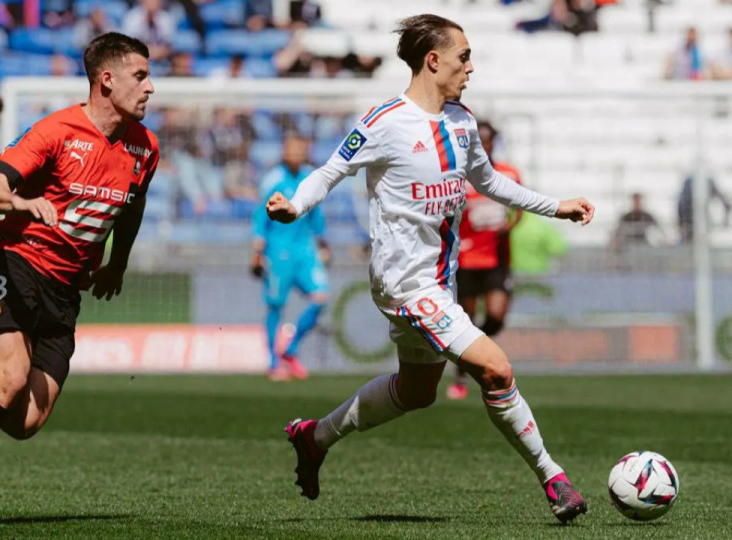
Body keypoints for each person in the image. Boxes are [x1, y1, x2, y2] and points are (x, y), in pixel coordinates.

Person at [266, 14, 594, 523]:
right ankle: (555, 479)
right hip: (402, 284)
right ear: (434, 61)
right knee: (496, 369)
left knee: (416, 392)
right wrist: (296, 205)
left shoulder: (462, 121)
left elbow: (490, 182)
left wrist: (556, 206)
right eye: (464, 57)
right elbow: (330, 171)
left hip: (440, 282)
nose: (471, 67)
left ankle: (315, 437)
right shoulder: (385, 122)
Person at [0, 32, 159, 530]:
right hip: (14, 262)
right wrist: (21, 202)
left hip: (65, 290)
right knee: (8, 379)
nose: (150, 88)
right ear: (107, 80)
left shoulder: (145, 147)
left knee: (25, 422)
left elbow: (133, 206)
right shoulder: (56, 130)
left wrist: (118, 263)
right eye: (141, 76)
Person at [445, 121, 522, 401]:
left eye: (489, 139)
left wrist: (508, 226)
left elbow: (519, 207)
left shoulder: (509, 173)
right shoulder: (460, 176)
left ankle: (473, 353)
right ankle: (462, 374)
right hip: (466, 258)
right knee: (466, 319)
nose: (485, 144)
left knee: (496, 317)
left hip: (497, 258)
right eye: (482, 139)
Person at [252, 132, 330, 381]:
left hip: (305, 251)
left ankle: (291, 348)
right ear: (284, 151)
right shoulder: (273, 179)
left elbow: (316, 213)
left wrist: (322, 242)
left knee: (321, 298)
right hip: (278, 251)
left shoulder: (310, 177)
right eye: (291, 149)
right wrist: (258, 250)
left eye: (299, 149)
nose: (295, 153)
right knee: (275, 304)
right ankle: (273, 362)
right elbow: (260, 216)